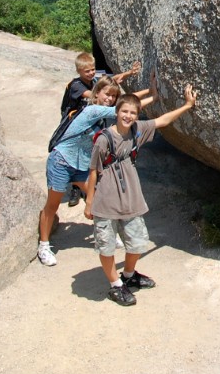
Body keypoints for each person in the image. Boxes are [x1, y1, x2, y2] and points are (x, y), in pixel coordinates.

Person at [84, 84, 198, 306]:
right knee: (106, 246)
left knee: (136, 242)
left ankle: (128, 275)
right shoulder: (104, 139)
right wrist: (89, 202)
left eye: (133, 112)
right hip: (106, 200)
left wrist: (187, 105)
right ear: (116, 112)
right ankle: (115, 285)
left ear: (137, 115)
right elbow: (92, 171)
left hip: (131, 198)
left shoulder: (138, 130)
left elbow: (163, 121)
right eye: (124, 111)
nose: (128, 116)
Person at [37, 77, 155, 266]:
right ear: (96, 93)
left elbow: (125, 104)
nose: (110, 98)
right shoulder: (92, 110)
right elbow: (126, 107)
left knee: (99, 197)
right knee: (53, 204)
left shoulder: (104, 118)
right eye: (107, 94)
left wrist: (149, 93)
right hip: (61, 161)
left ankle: (107, 234)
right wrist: (153, 95)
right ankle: (44, 245)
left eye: (114, 96)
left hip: (81, 165)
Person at [59, 54, 140, 207]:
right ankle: (76, 189)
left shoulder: (93, 81)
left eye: (92, 70)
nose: (90, 73)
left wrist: (129, 73)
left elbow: (108, 83)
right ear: (78, 71)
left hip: (92, 124)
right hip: (75, 124)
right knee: (78, 156)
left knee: (90, 153)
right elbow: (94, 95)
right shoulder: (77, 85)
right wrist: (110, 96)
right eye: (86, 71)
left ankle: (89, 184)